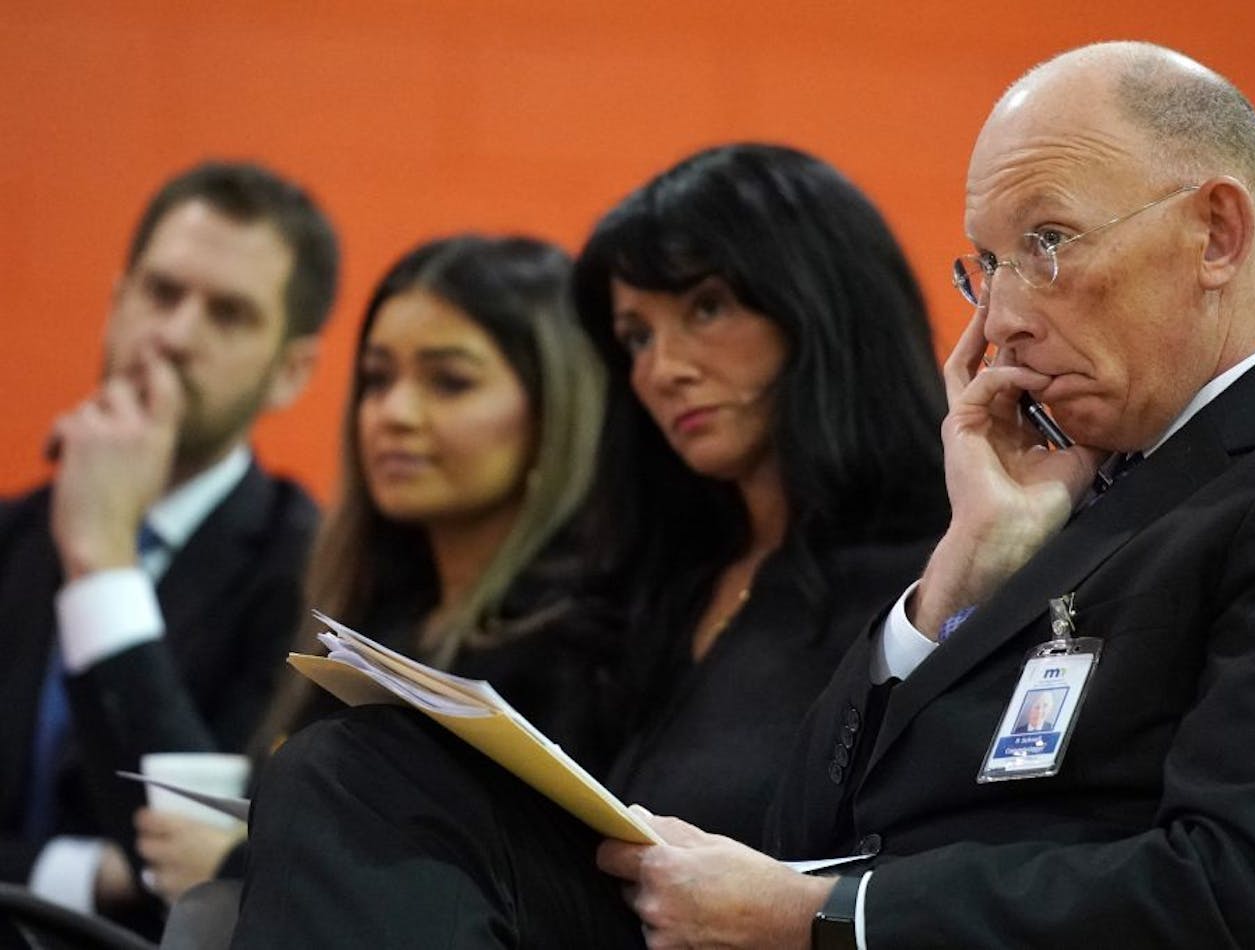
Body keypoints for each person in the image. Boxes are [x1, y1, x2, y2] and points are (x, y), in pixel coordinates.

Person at [592, 41, 1255, 948]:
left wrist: (824, 920)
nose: (1002, 319)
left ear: (1216, 233)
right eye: (989, 265)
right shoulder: (1085, 493)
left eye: (1049, 243)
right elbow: (810, 834)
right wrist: (963, 573)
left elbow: (1249, 890)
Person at [228, 142, 951, 946]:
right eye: (635, 338)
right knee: (346, 767)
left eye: (706, 309)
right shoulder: (646, 584)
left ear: (822, 305)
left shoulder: (946, 575)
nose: (665, 367)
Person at [132, 233, 609, 904]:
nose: (394, 414)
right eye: (377, 379)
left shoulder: (582, 644)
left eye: (450, 382)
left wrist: (236, 865)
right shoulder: (369, 611)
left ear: (556, 411)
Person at [0, 161, 338, 924]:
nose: (176, 336)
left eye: (229, 315)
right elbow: (142, 864)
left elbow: (203, 869)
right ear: (115, 305)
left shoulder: (313, 579)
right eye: (161, 293)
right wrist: (87, 874)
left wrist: (102, 561)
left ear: (291, 372)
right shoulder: (11, 535)